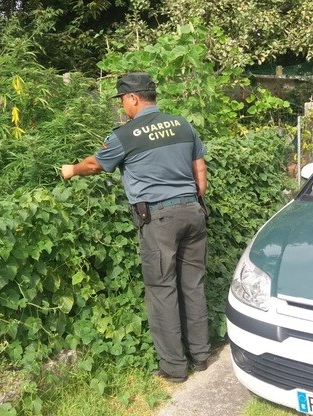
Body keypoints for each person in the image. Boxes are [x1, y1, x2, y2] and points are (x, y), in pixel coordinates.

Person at [61, 72, 210, 383]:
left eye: (122, 101)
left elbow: (94, 164)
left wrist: (70, 170)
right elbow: (200, 171)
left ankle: (173, 367)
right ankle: (201, 355)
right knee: (192, 287)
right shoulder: (182, 124)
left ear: (133, 99)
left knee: (161, 290)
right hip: (193, 212)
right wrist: (191, 198)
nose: (122, 108)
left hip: (159, 220)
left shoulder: (125, 135)